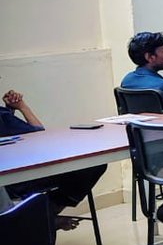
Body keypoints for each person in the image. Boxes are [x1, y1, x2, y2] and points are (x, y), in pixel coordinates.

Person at [0, 89, 104, 227]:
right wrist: (23, 107)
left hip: (11, 179)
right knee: (94, 164)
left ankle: (44, 214)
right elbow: (38, 134)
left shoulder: (4, 114)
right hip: (21, 179)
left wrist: (10, 110)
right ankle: (46, 214)